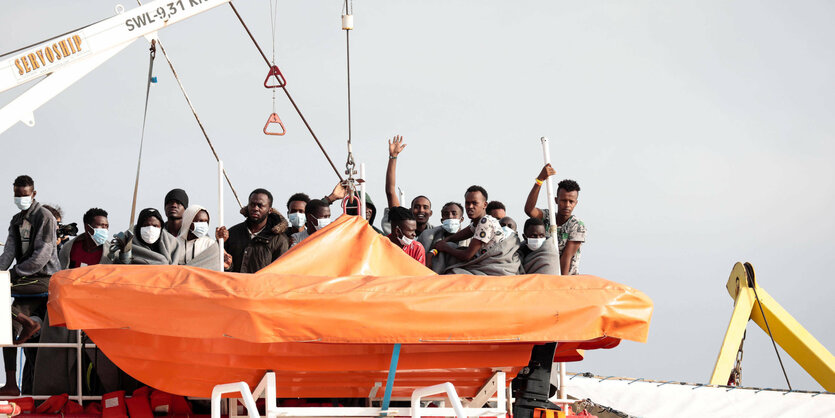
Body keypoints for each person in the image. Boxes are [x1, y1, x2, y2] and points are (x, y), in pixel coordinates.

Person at [0, 175, 61, 396]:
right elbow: (8, 252)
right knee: (6, 325)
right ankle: (10, 383)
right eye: (17, 194)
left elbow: (42, 255)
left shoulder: (44, 217)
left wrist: (13, 274)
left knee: (2, 290)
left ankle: (28, 323)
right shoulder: (16, 220)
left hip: (44, 277)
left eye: (24, 195)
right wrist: (0, 272)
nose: (20, 198)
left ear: (33, 194)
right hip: (25, 281)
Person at [433, 186, 522, 276]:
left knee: (452, 274)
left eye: (474, 203)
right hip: (485, 263)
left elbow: (466, 256)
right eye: (467, 203)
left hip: (494, 267)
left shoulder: (485, 222)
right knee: (451, 246)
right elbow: (461, 235)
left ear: (485, 205)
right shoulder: (478, 222)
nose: (470, 207)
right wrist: (445, 241)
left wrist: (445, 247)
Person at [524, 164, 586, 275]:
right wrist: (540, 180)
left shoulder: (577, 226)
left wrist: (560, 283)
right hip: (543, 272)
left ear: (576, 203)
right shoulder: (548, 216)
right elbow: (529, 210)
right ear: (556, 200)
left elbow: (566, 257)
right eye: (563, 200)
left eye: (571, 202)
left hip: (566, 278)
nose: (567, 205)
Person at [216, 188, 290, 272]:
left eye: (260, 205)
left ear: (270, 210)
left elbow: (280, 273)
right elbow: (222, 268)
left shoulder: (279, 240)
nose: (255, 208)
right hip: (234, 284)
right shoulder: (232, 233)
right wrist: (220, 243)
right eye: (252, 204)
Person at [385, 135, 434, 236]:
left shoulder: (435, 233)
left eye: (425, 207)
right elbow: (390, 191)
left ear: (431, 212)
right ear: (410, 210)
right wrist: (393, 157)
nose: (421, 210)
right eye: (417, 207)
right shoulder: (401, 227)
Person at [110, 208, 183, 265]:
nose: (151, 229)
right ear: (138, 228)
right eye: (146, 225)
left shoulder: (173, 244)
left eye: (155, 226)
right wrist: (124, 254)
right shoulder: (125, 242)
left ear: (161, 228)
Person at [420, 202, 471, 273]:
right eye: (446, 214)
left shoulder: (471, 238)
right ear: (442, 220)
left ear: (461, 219)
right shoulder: (429, 236)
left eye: (454, 213)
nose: (450, 217)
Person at [177, 205, 221, 270]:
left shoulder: (210, 244)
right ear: (188, 222)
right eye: (200, 221)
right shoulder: (175, 243)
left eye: (206, 221)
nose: (203, 224)